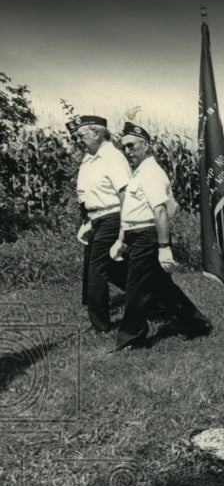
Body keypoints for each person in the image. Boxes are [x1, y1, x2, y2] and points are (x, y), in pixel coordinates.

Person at [112, 122, 212, 350]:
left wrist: (164, 246)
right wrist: (121, 239)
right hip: (136, 234)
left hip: (148, 236)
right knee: (163, 287)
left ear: (145, 145)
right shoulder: (139, 173)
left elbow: (159, 211)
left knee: (135, 288)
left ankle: (132, 338)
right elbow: (131, 210)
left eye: (131, 146)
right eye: (124, 147)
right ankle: (197, 324)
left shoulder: (152, 173)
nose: (127, 151)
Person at [70, 115, 130, 333]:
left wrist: (124, 226)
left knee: (97, 269)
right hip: (95, 219)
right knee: (112, 269)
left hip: (113, 217)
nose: (78, 139)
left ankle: (100, 325)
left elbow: (124, 192)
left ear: (96, 133)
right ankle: (152, 298)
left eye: (81, 135)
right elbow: (87, 195)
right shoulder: (89, 158)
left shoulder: (112, 157)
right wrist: (87, 221)